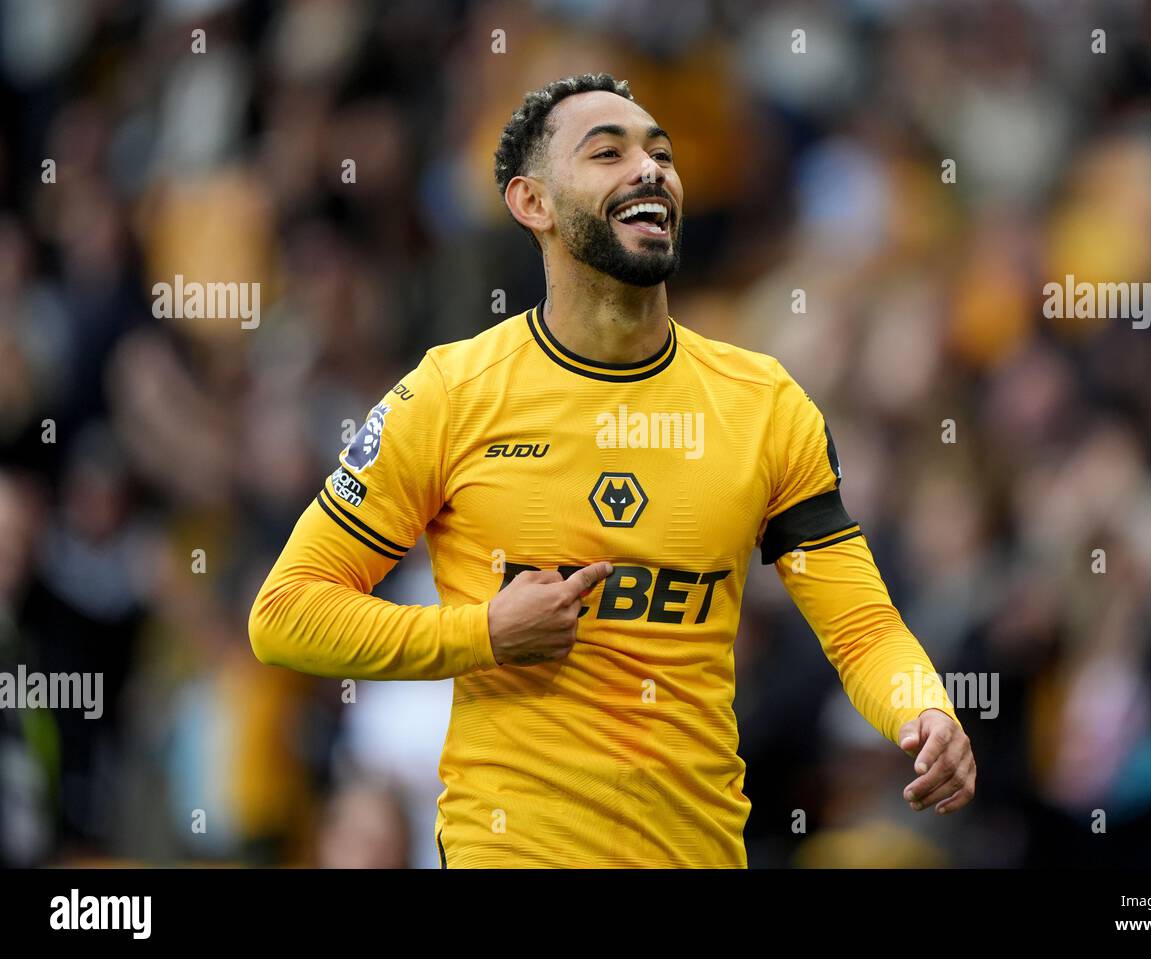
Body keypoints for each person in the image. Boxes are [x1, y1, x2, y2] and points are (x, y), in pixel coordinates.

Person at [248, 72, 975, 867]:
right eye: (609, 152)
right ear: (533, 203)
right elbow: (285, 613)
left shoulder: (764, 404)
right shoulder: (448, 396)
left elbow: (862, 627)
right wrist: (483, 633)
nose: (650, 169)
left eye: (662, 154)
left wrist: (925, 707)